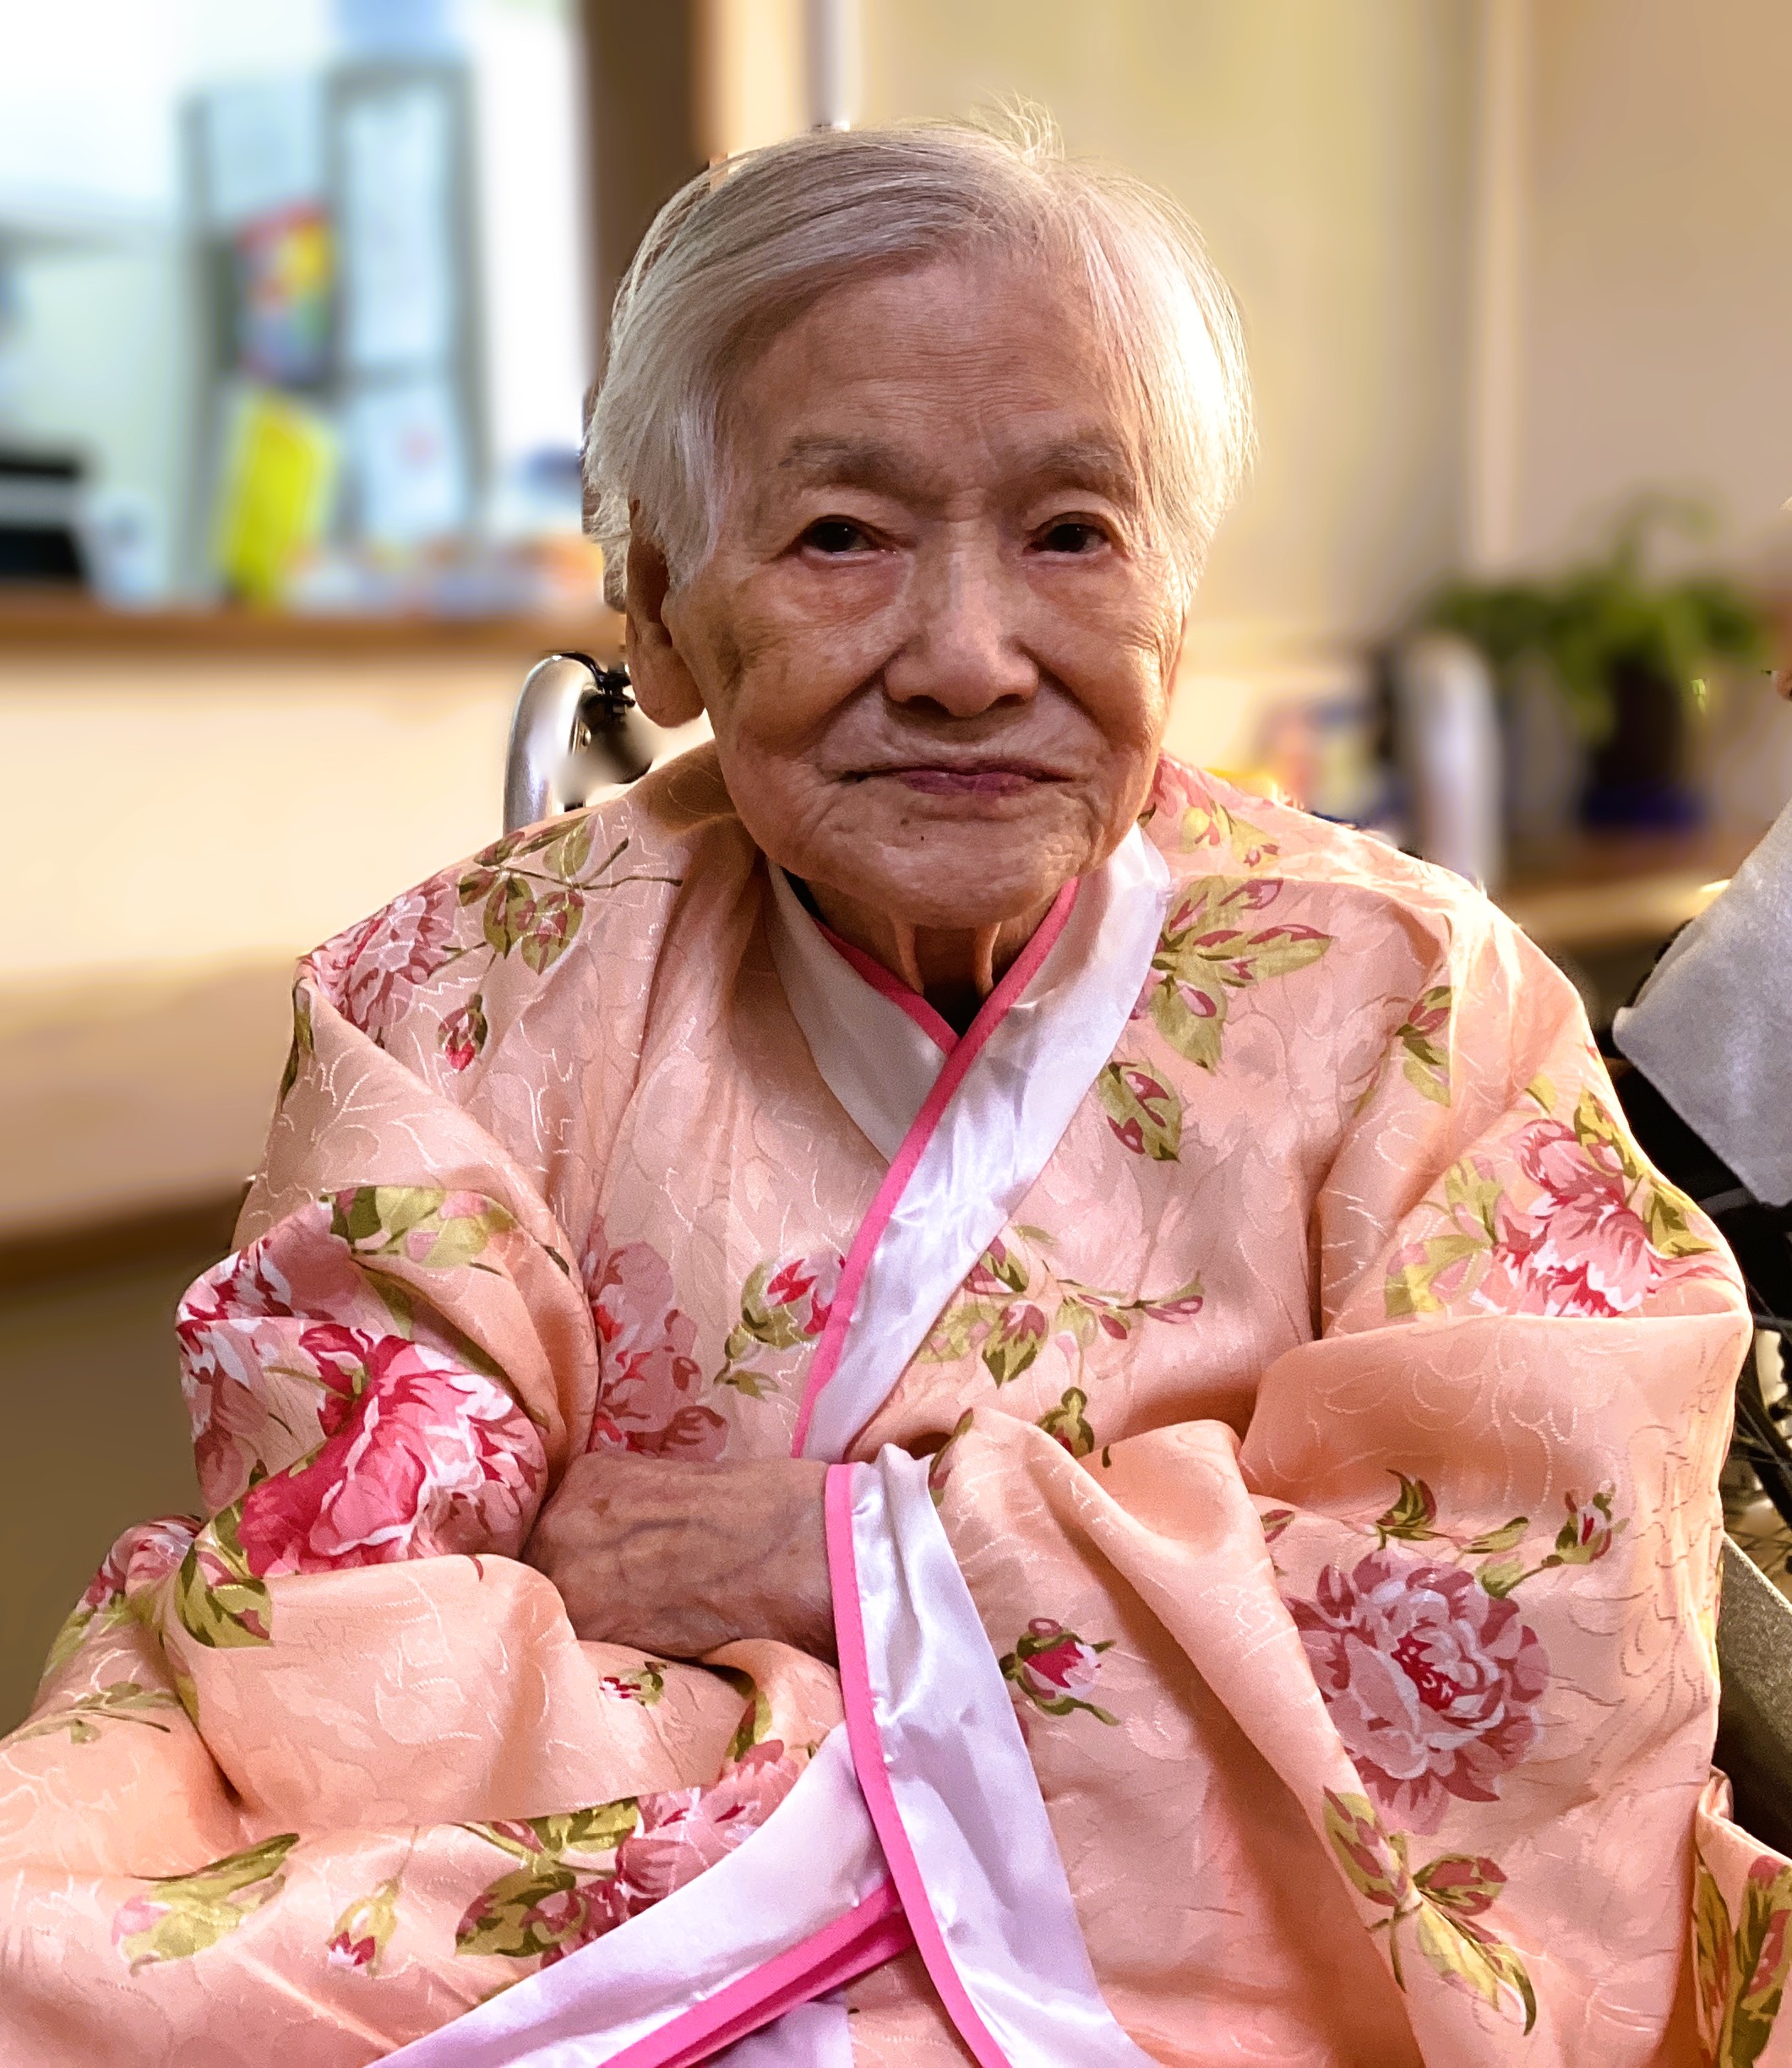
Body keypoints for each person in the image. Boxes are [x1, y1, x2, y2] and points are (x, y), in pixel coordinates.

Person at [0, 113, 1775, 2068]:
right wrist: (945, 1766)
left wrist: (842, 1561)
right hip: (608, 1923)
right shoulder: (450, 1005)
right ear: (659, 614)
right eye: (841, 534)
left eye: (1069, 535)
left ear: (1169, 604)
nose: (964, 656)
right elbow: (337, 1623)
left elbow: (1549, 1598)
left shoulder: (1418, 1000)